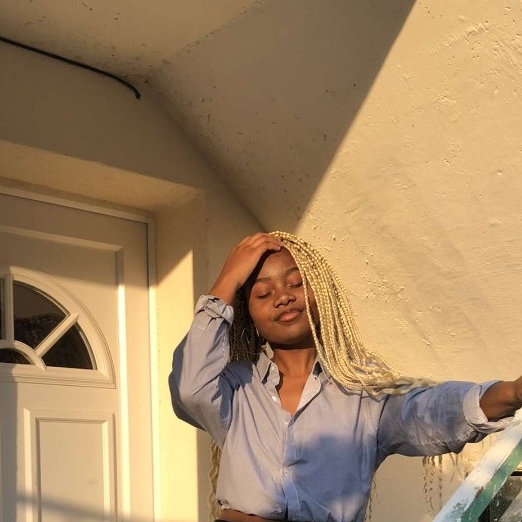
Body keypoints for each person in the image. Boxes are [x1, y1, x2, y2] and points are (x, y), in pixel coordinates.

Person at [169, 231, 522, 522]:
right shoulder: (235, 388)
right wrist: (227, 281)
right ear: (249, 316)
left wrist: (511, 393)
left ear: (321, 296)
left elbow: (431, 411)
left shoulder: (361, 393)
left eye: (296, 283)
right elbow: (190, 386)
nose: (283, 298)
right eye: (263, 293)